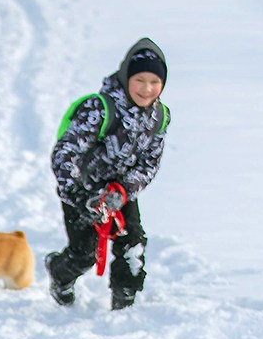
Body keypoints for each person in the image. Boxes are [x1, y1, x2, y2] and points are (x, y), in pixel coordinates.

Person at [45, 37, 170, 311]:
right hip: (82, 191)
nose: (146, 89)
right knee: (84, 254)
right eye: (139, 79)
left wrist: (123, 190)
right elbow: (65, 154)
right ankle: (59, 274)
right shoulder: (100, 109)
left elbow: (150, 163)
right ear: (126, 76)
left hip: (120, 192)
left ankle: (124, 304)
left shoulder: (159, 116)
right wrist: (81, 196)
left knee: (133, 245)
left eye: (154, 81)